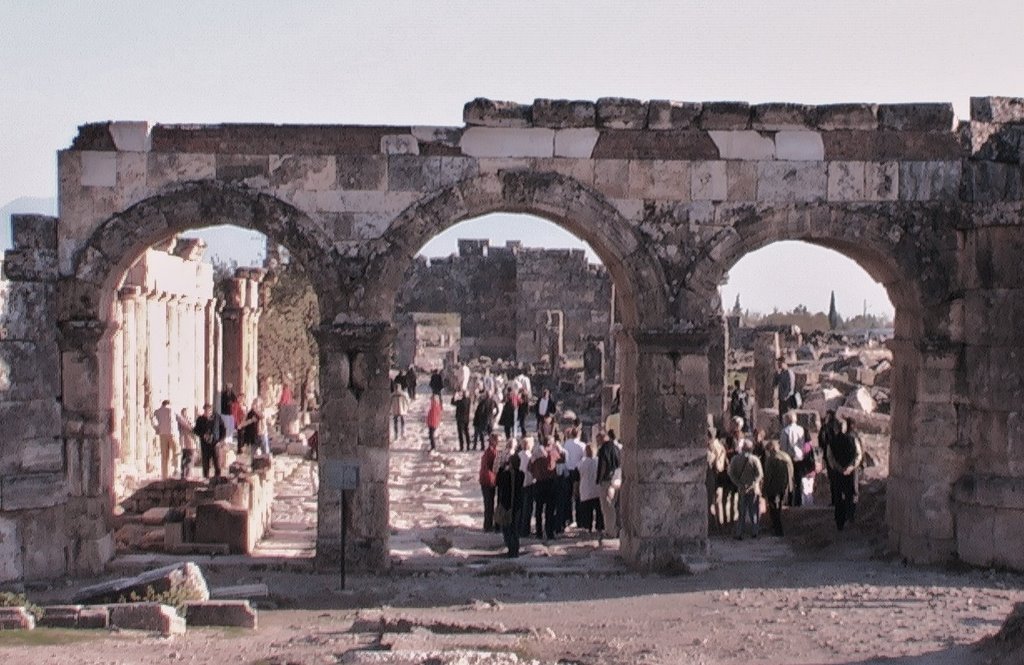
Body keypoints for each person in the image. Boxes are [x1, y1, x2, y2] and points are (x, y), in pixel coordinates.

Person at [828, 417, 863, 531]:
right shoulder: (853, 439)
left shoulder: (832, 441)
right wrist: (851, 467)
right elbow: (858, 454)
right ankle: (850, 517)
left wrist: (838, 468)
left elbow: (830, 457)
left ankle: (840, 522)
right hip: (851, 472)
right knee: (851, 494)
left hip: (838, 472)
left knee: (838, 496)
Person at [728, 439, 764, 540]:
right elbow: (760, 474)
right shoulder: (755, 459)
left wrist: (738, 483)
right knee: (753, 511)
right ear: (751, 448)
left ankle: (739, 532)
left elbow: (731, 473)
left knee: (741, 512)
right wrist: (753, 483)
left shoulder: (735, 459)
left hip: (741, 488)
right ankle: (755, 532)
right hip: (753, 489)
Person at [529, 435, 560, 541]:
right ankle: (549, 532)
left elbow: (529, 467)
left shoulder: (535, 454)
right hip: (550, 483)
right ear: (550, 443)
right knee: (550, 510)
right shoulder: (552, 452)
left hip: (539, 483)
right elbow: (563, 458)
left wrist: (535, 474)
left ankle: (539, 532)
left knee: (538, 509)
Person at [762, 438, 794, 536]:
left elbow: (768, 475)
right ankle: (777, 528)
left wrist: (764, 489)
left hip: (773, 487)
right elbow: (791, 472)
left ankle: (777, 530)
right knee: (779, 507)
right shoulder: (786, 456)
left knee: (773, 509)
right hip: (784, 486)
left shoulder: (771, 459)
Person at [496, 453, 526, 557]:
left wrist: (501, 468)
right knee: (515, 528)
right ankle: (515, 550)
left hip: (506, 504)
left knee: (506, 528)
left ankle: (510, 548)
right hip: (517, 505)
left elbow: (498, 482)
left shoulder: (505, 475)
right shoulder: (521, 474)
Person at [595, 431, 621, 543]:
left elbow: (603, 466)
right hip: (617, 479)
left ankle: (611, 531)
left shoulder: (603, 449)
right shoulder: (616, 447)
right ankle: (617, 528)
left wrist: (599, 479)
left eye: (597, 440)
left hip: (607, 480)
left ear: (601, 438)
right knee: (615, 505)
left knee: (607, 506)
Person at [779, 411, 805, 506]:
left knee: (789, 480)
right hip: (799, 456)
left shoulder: (785, 431)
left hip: (788, 457)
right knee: (798, 480)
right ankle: (799, 501)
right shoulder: (801, 429)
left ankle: (790, 500)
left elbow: (783, 446)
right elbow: (802, 444)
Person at [562, 426, 587, 528]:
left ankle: (569, 518)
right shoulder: (582, 445)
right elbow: (584, 458)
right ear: (579, 434)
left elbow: (564, 456)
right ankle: (580, 519)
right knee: (578, 496)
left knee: (567, 496)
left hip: (568, 470)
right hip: (578, 471)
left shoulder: (566, 444)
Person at [818, 410, 844, 506]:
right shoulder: (837, 426)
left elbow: (822, 439)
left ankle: (835, 500)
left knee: (833, 479)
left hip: (830, 455)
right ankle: (841, 499)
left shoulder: (826, 427)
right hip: (840, 456)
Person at [193, 403, 225, 479]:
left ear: (211, 410)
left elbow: (223, 429)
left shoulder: (217, 417)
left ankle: (218, 477)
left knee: (217, 461)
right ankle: (206, 477)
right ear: (204, 410)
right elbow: (195, 430)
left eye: (209, 410)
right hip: (205, 444)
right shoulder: (200, 419)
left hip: (215, 443)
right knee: (205, 462)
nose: (207, 412)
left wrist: (221, 441)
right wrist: (203, 435)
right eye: (205, 410)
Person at [577, 444, 603, 533]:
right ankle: (599, 526)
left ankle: (588, 526)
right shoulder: (598, 461)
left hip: (586, 489)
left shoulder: (582, 462)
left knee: (588, 511)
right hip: (597, 489)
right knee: (598, 509)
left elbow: (579, 472)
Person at [706, 426, 728, 529]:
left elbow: (710, 461)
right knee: (719, 501)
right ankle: (720, 522)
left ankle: (711, 524)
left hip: (711, 474)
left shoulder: (711, 447)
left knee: (710, 501)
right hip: (720, 474)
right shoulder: (721, 446)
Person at [152, 399, 178, 480]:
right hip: (172, 433)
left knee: (164, 456)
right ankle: (176, 469)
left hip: (162, 434)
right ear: (169, 404)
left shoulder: (158, 411)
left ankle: (164, 476)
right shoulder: (172, 409)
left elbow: (152, 420)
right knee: (176, 451)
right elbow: (181, 420)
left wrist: (157, 428)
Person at [479, 434, 500, 531]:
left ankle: (487, 524)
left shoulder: (488, 452)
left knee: (488, 503)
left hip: (484, 479)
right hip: (489, 480)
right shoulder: (492, 453)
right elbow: (494, 467)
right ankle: (488, 526)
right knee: (489, 504)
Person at [517, 436, 537, 537]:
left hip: (519, 483)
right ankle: (525, 529)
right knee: (527, 508)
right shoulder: (530, 456)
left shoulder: (519, 455)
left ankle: (519, 527)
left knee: (520, 507)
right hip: (528, 483)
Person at [773, 357, 797, 421]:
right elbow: (775, 384)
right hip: (781, 399)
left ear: (784, 363)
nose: (778, 365)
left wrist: (785, 397)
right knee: (781, 417)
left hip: (788, 399)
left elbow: (790, 387)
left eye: (779, 363)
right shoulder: (780, 373)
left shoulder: (789, 373)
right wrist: (776, 374)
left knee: (788, 417)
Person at [176, 407, 196, 480]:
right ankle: (186, 474)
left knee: (187, 458)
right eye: (185, 413)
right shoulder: (182, 421)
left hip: (187, 442)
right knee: (188, 458)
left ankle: (185, 474)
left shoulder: (187, 420)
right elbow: (191, 428)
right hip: (187, 442)